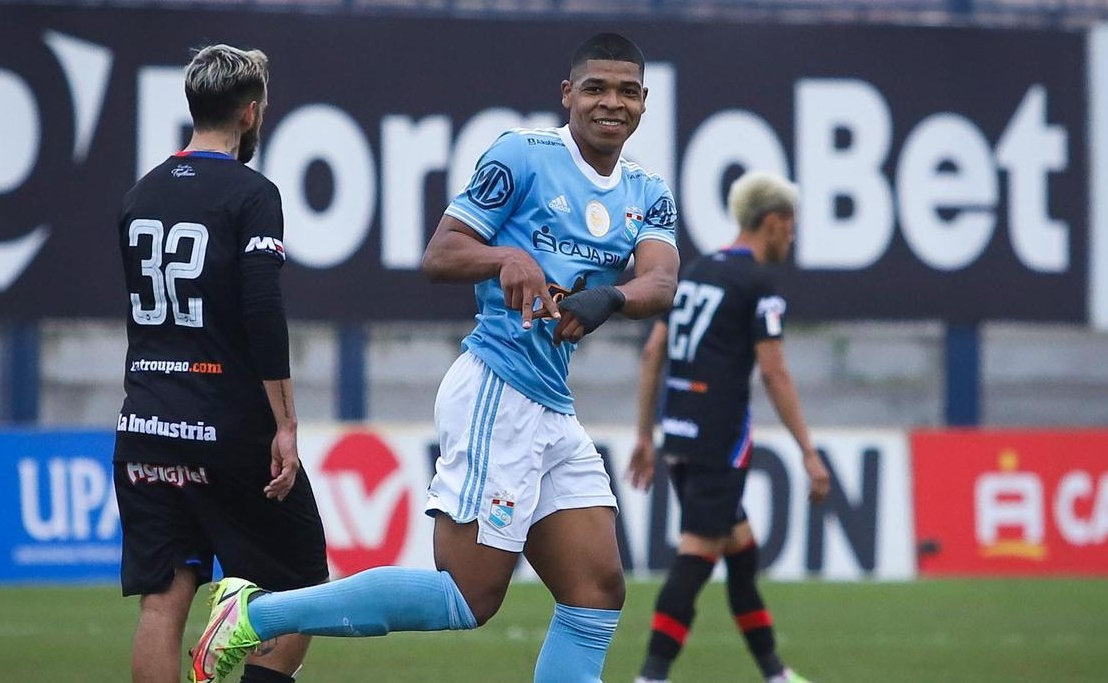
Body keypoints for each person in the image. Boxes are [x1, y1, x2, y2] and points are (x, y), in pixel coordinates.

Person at [188, 32, 679, 683]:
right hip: (498, 390)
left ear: (644, 101)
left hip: (550, 405)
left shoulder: (647, 190)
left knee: (596, 590)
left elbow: (661, 282)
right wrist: (506, 256)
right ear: (568, 94)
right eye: (595, 88)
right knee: (468, 594)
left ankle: (257, 613)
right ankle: (255, 613)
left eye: (625, 92)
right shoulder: (522, 156)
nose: (610, 103)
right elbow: (441, 253)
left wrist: (609, 297)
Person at [113, 44, 327, 683]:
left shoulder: (140, 194)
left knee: (162, 604)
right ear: (251, 112)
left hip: (146, 427)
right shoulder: (253, 194)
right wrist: (284, 424)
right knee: (301, 588)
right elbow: (262, 310)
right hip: (227, 430)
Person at [626, 171, 831, 683]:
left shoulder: (695, 270)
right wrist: (808, 451)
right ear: (773, 222)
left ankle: (775, 673)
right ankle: (650, 676)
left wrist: (645, 436)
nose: (793, 236)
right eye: (792, 226)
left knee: (741, 553)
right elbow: (775, 373)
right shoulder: (757, 283)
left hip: (678, 432)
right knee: (697, 554)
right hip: (719, 438)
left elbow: (652, 353)